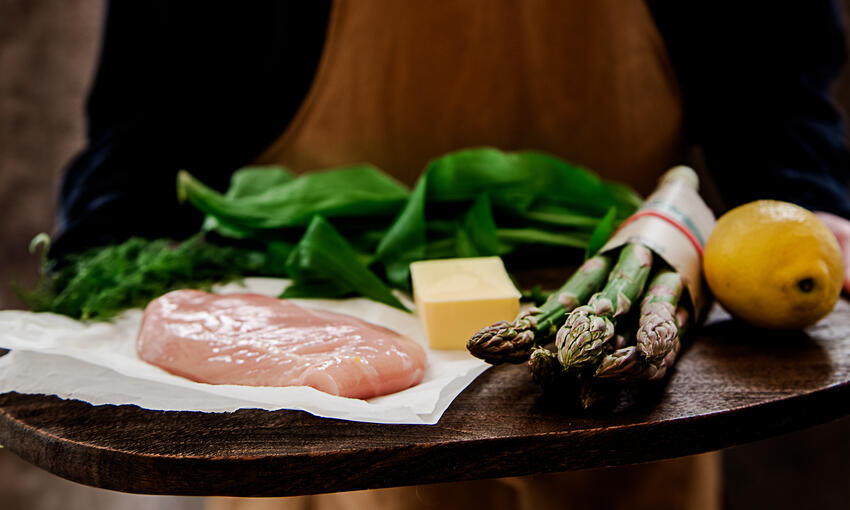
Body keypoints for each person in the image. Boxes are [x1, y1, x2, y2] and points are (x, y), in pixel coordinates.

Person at [53, 1, 850, 509]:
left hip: (618, 380)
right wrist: (101, 244)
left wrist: (807, 195)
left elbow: (776, 74)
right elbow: (145, 109)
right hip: (314, 451)